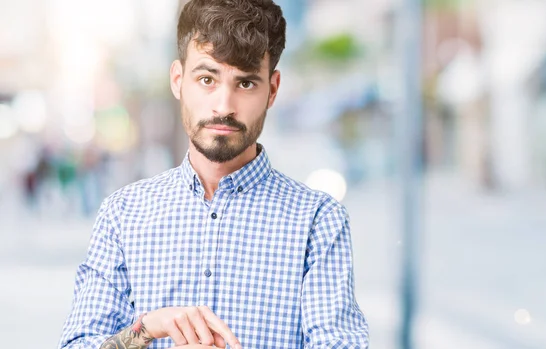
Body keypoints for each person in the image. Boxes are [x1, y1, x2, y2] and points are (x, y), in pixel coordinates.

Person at [58, 0, 369, 348]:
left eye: (246, 84)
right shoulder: (123, 215)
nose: (223, 105)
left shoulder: (318, 221)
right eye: (207, 79)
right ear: (178, 80)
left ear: (273, 89)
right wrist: (145, 329)